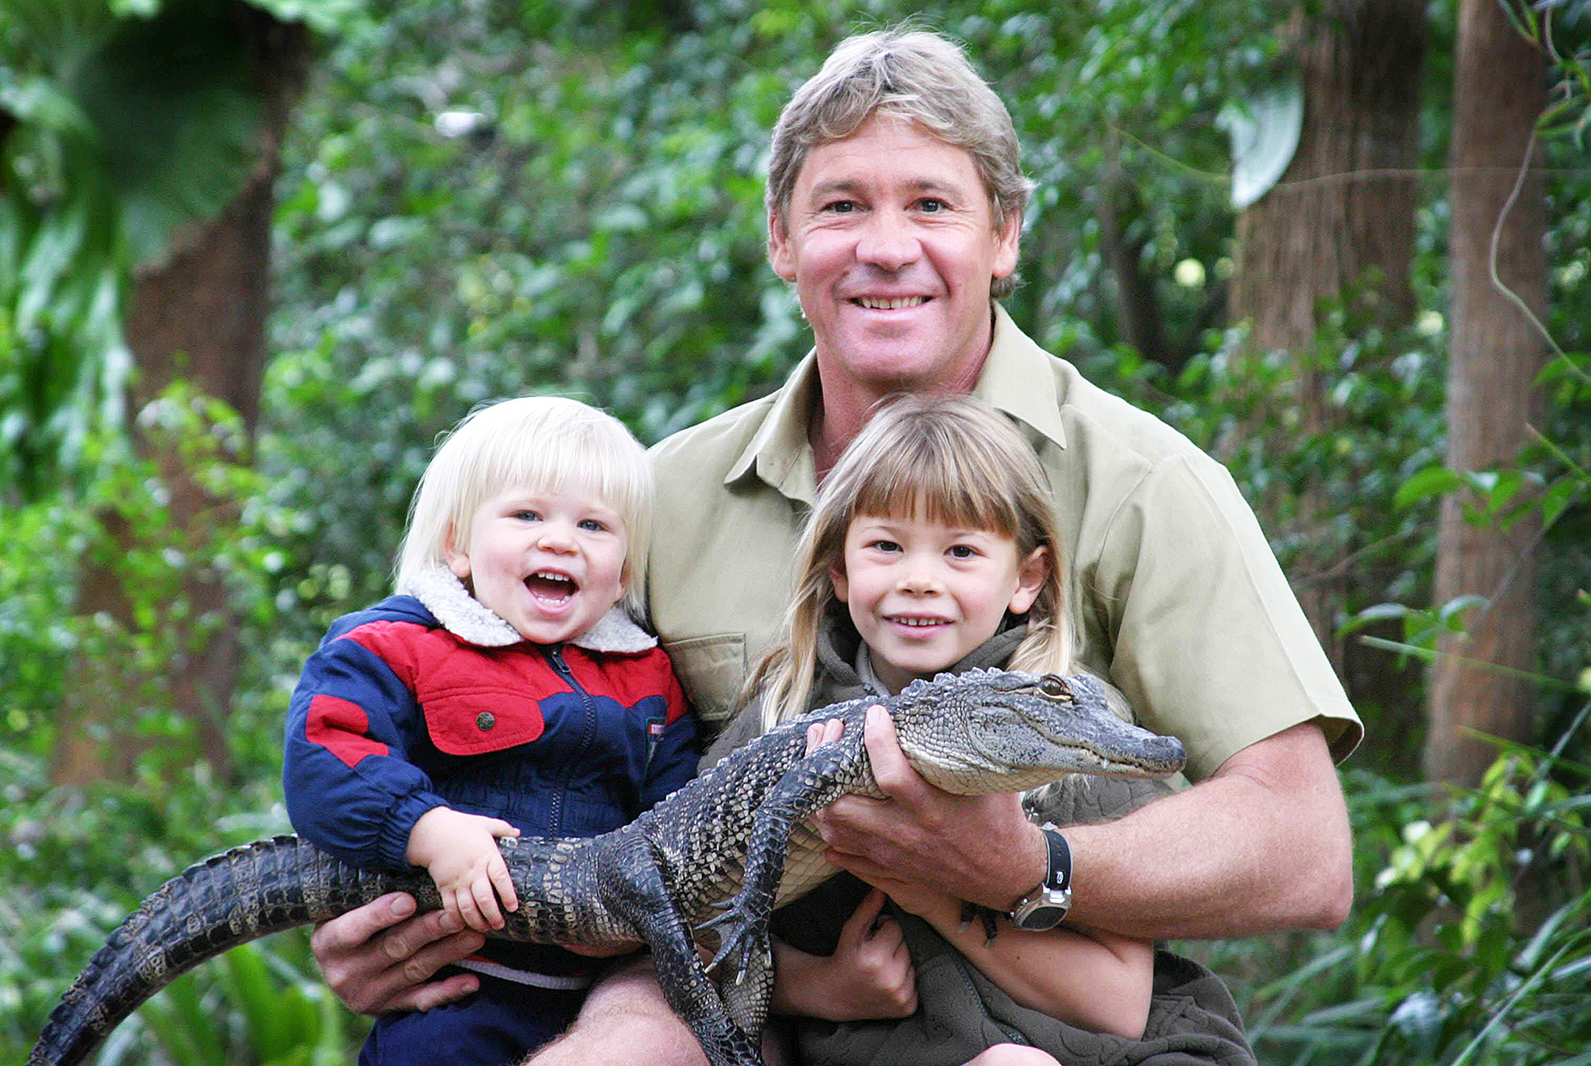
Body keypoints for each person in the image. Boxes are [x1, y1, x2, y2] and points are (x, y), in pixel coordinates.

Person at [307, 27, 1361, 1066]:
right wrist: (398, 907)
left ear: (1006, 236)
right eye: (842, 205)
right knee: (621, 1036)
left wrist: (1025, 863)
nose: (886, 247)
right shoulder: (656, 494)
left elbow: (1303, 851)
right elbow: (488, 731)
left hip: (1033, 1004)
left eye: (933, 205)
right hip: (740, 975)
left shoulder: (1142, 482)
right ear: (781, 238)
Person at [712, 393, 1163, 1065]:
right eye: (887, 546)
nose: (920, 580)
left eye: (960, 551)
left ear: (1027, 578)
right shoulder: (783, 711)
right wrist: (818, 988)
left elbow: (1119, 1005)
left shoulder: (1072, 726)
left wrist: (931, 890)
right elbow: (687, 917)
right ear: (840, 568)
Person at [282, 396, 698, 1066]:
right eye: (527, 515)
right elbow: (327, 753)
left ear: (623, 571)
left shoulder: (648, 674)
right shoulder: (397, 644)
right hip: (456, 992)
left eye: (593, 525)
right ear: (458, 545)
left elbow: (679, 804)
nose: (560, 540)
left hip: (604, 996)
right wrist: (429, 828)